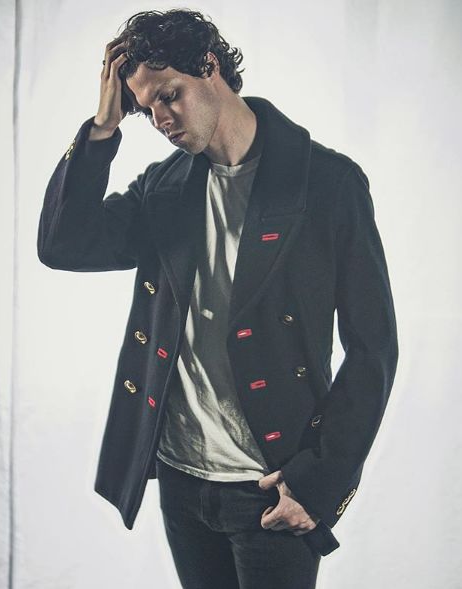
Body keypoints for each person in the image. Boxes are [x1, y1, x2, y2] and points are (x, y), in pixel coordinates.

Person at [37, 8, 398, 589]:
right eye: (146, 107)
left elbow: (373, 347)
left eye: (169, 95)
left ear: (210, 67)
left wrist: (319, 483)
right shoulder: (164, 187)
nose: (160, 119)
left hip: (271, 487)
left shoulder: (327, 183)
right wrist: (102, 129)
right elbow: (64, 244)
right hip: (181, 480)